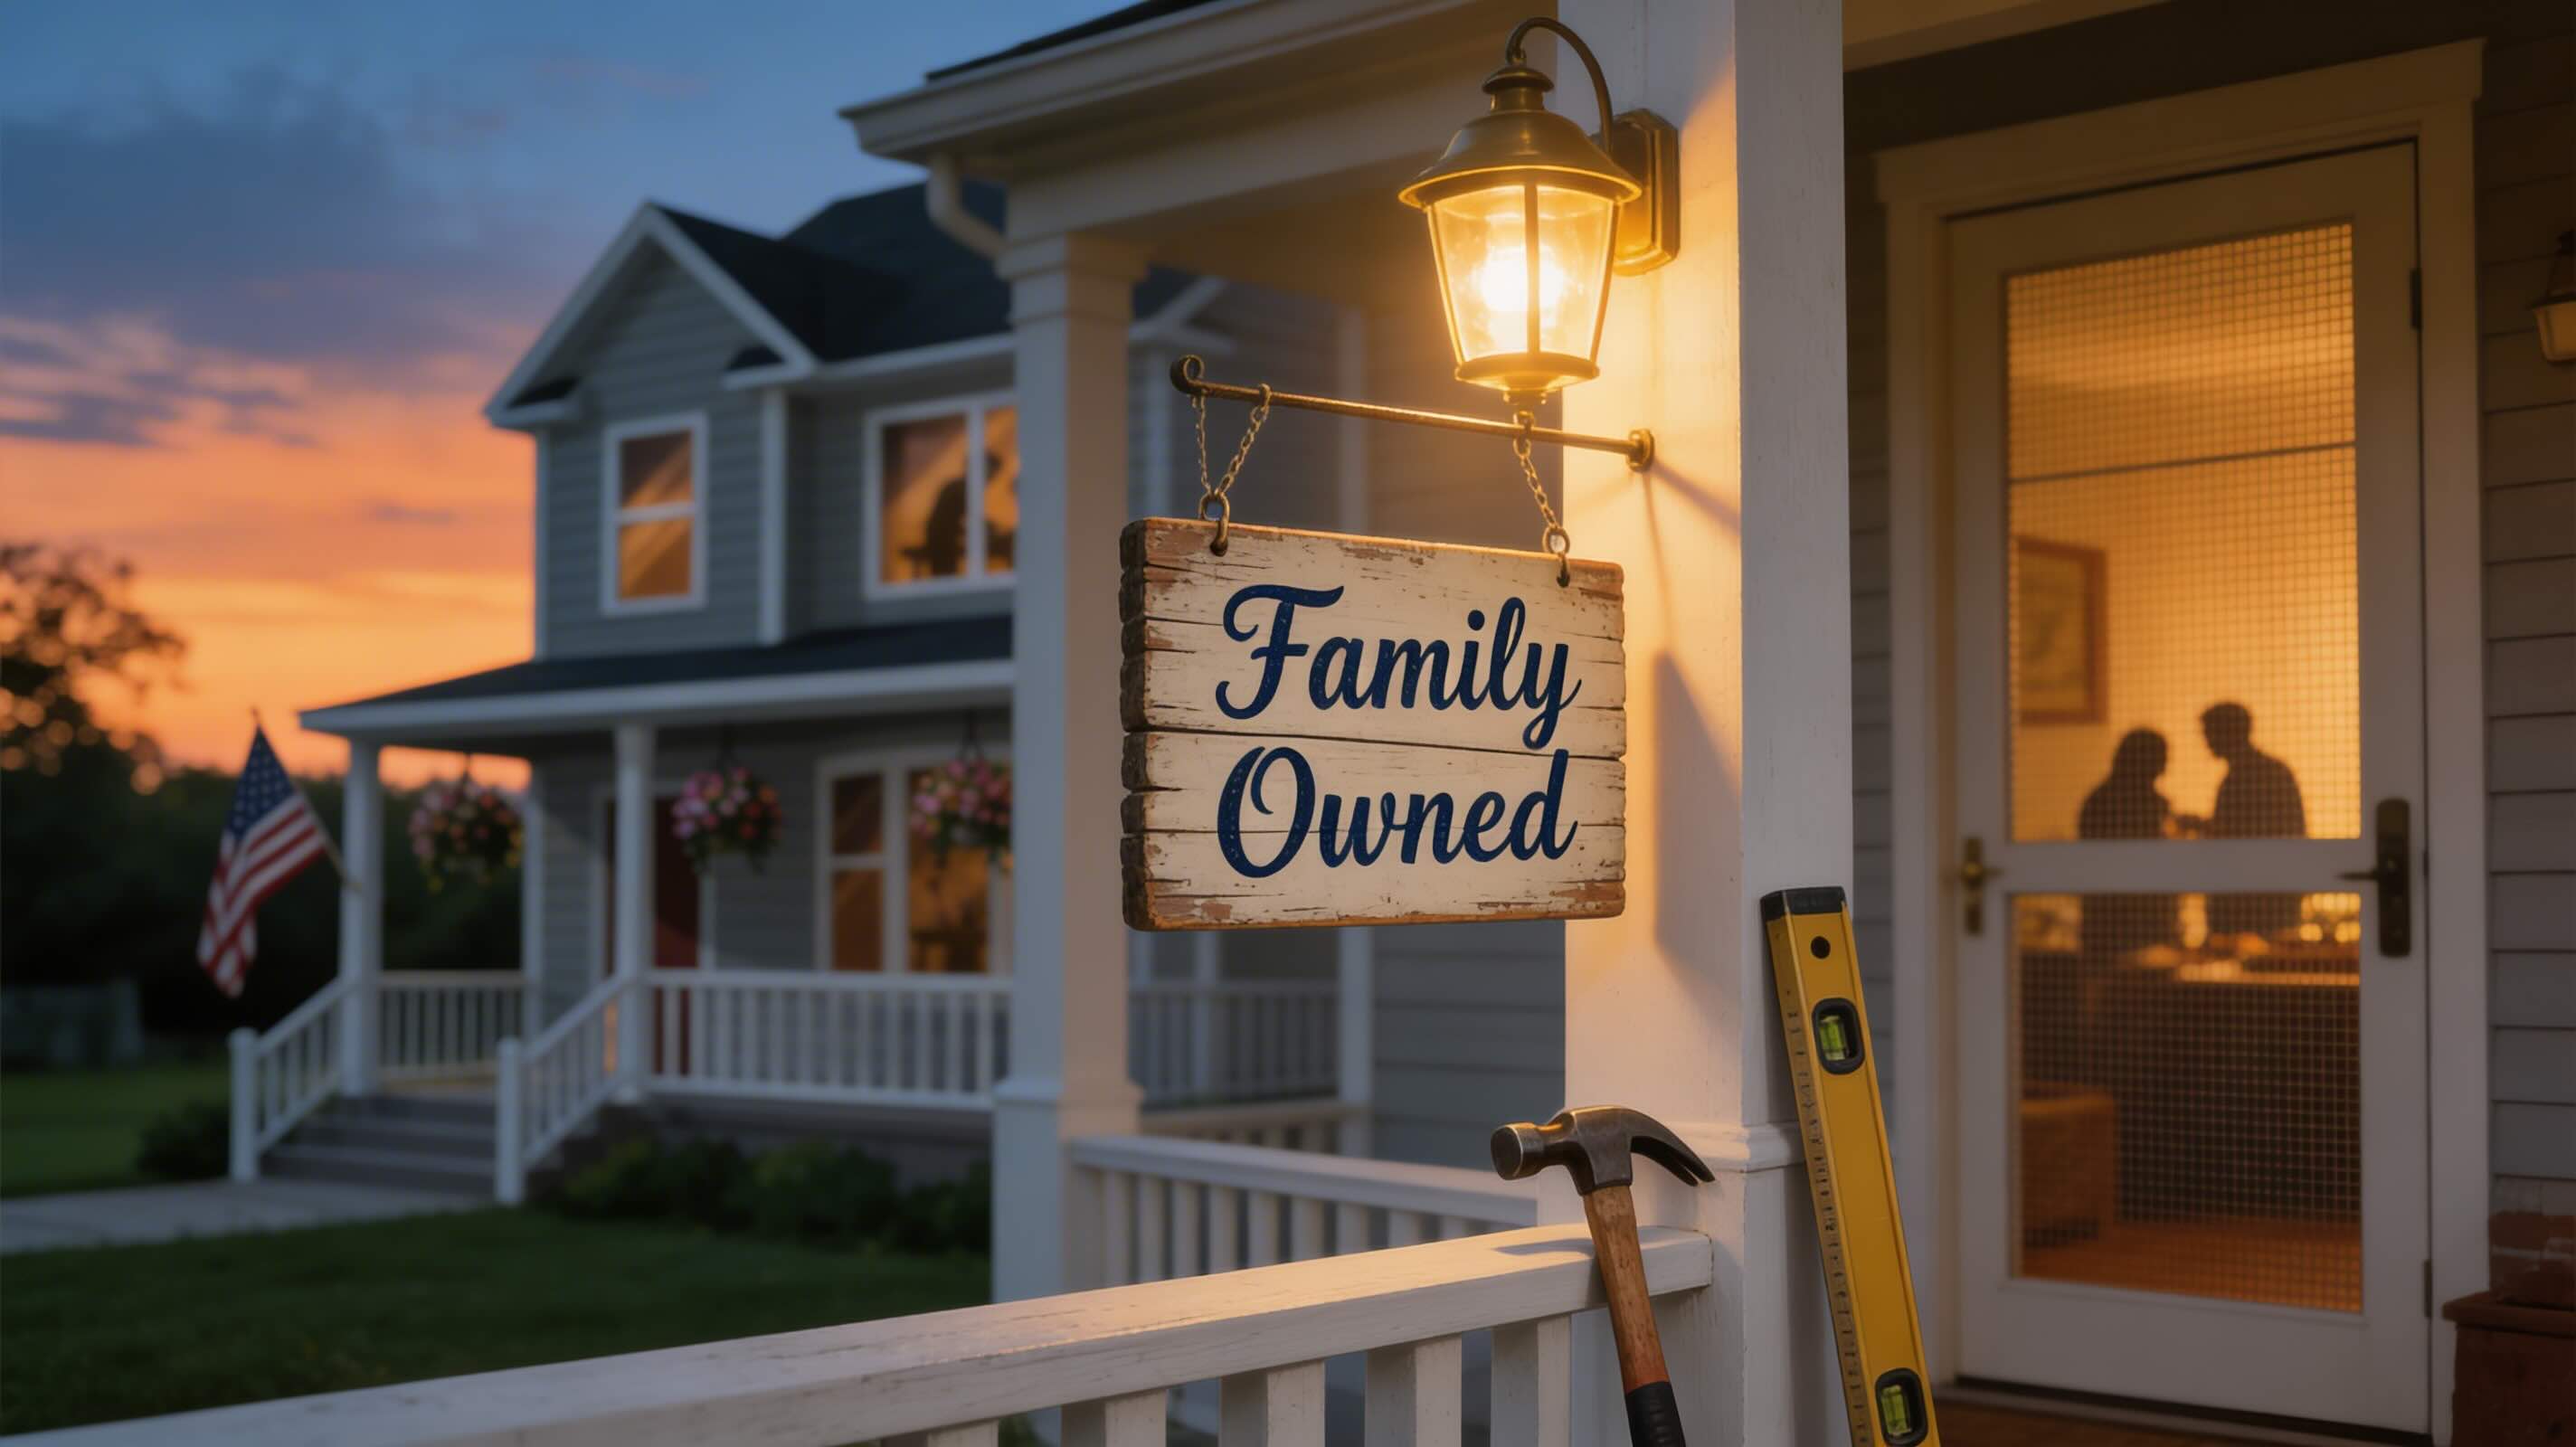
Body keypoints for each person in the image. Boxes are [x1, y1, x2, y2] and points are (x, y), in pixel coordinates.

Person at [2190, 701, 2306, 940]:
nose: (2206, 740)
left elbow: (2239, 835)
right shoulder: (2271, 772)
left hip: (2253, 904)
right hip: (2269, 899)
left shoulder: (2247, 777)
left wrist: (2202, 827)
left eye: (2209, 732)